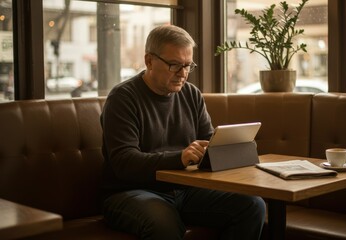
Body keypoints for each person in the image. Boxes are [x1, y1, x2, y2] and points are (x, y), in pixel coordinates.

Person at [100, 25, 266, 240]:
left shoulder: (191, 94)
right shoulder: (123, 98)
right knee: (163, 222)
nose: (183, 74)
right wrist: (179, 158)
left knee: (252, 205)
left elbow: (207, 141)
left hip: (186, 189)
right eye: (174, 65)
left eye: (188, 65)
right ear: (149, 61)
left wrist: (222, 148)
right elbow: (124, 163)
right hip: (129, 192)